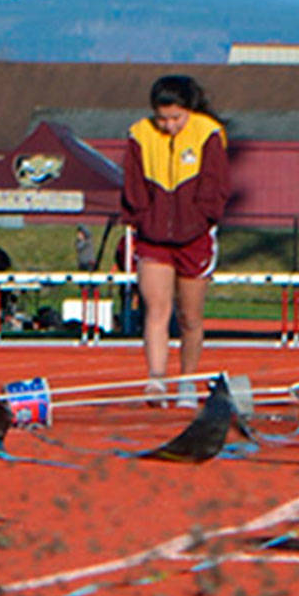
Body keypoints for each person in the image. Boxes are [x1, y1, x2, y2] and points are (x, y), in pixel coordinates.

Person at [120, 74, 229, 406]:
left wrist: (201, 217)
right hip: (153, 237)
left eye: (175, 118)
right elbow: (132, 183)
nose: (168, 126)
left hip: (194, 237)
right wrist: (142, 217)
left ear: (189, 111)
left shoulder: (208, 134)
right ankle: (156, 380)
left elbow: (217, 185)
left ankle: (187, 381)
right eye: (162, 118)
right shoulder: (140, 134)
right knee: (157, 309)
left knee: (190, 317)